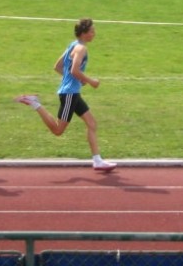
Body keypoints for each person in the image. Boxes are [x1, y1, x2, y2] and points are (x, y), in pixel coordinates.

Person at [15, 18, 116, 172]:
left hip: (72, 92)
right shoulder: (81, 49)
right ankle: (35, 103)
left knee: (92, 123)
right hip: (70, 94)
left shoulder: (72, 45)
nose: (94, 34)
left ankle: (97, 160)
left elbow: (57, 67)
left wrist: (76, 80)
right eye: (92, 31)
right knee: (58, 130)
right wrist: (90, 81)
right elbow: (74, 70)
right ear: (84, 33)